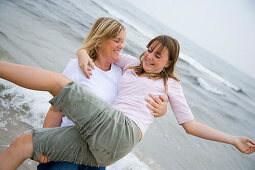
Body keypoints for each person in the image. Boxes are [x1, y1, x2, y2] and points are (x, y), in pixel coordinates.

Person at [0, 35, 254, 170]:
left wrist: (232, 140)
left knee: (58, 83)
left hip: (123, 130)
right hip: (107, 149)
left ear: (169, 63)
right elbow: (101, 51)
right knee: (24, 143)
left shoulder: (171, 85)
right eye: (148, 50)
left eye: (158, 55)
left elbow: (190, 125)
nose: (149, 57)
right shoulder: (132, 64)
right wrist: (80, 53)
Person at [37, 17, 167, 170]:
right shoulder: (78, 66)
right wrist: (44, 143)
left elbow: (137, 102)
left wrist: (162, 110)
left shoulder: (123, 74)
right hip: (67, 147)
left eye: (123, 41)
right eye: (117, 41)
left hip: (97, 157)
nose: (121, 46)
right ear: (100, 41)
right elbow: (56, 111)